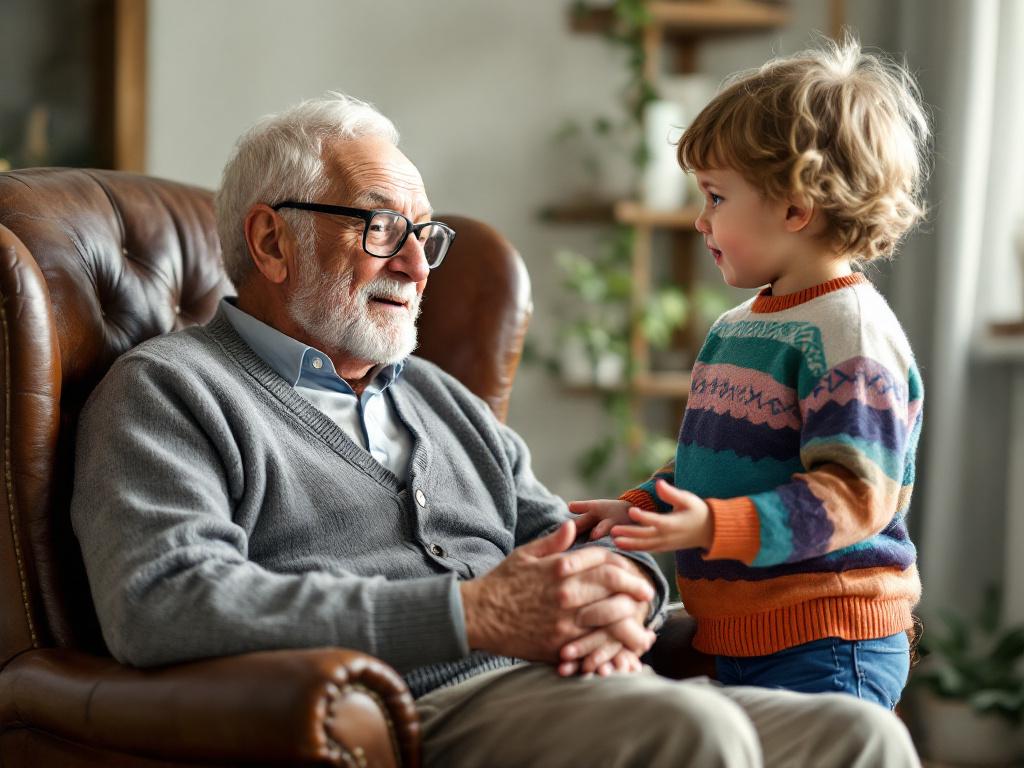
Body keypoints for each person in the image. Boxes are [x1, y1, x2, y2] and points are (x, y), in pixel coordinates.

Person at [71, 91, 921, 766]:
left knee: (860, 740)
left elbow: (557, 542)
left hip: (561, 687)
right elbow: (164, 603)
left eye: (424, 236)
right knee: (690, 736)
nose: (413, 264)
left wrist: (624, 589)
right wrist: (468, 614)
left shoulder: (440, 399)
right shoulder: (169, 392)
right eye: (380, 228)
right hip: (413, 709)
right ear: (271, 240)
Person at [571, 36, 927, 712]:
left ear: (796, 208)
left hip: (828, 638)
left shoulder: (849, 335)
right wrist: (645, 508)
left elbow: (853, 497)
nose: (700, 220)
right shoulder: (738, 327)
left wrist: (709, 526)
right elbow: (721, 472)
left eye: (715, 197)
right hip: (743, 635)